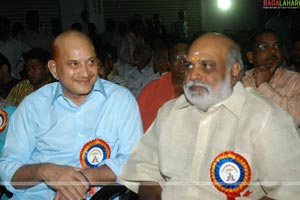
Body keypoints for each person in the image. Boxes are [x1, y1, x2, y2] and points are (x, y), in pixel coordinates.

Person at [119, 32, 300, 199]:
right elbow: (146, 172)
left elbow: (289, 190)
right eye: (190, 65)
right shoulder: (169, 113)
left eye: (206, 66)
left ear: (234, 71)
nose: (193, 75)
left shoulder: (265, 117)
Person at [0, 30, 143, 199]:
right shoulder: (33, 106)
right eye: (74, 64)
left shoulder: (120, 100)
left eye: (91, 62)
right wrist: (45, 171)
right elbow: (7, 170)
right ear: (54, 69)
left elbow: (135, 161)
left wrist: (80, 180)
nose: (85, 73)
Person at [242, 28, 300, 126]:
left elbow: (297, 117)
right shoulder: (242, 83)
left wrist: (263, 86)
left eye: (277, 46)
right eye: (264, 46)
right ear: (251, 57)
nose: (273, 50)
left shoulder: (295, 80)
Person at [137, 41, 189, 132]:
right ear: (169, 64)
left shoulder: (205, 91)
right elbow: (135, 122)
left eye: (185, 55)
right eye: (176, 57)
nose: (181, 60)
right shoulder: (152, 88)